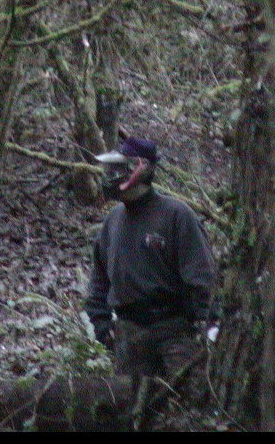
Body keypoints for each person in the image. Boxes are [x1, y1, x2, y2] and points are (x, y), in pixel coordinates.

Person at [84, 137, 217, 379]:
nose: (111, 176)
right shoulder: (112, 220)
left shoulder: (177, 215)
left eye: (118, 169)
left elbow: (202, 277)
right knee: (132, 400)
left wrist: (207, 325)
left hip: (175, 332)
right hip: (129, 334)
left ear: (140, 168)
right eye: (110, 170)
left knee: (185, 396)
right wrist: (102, 326)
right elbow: (99, 282)